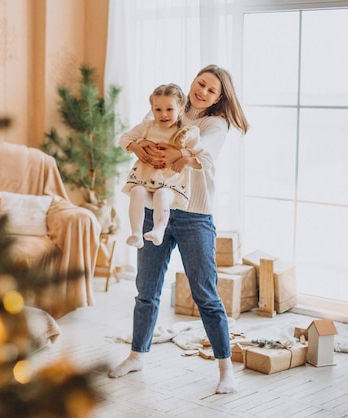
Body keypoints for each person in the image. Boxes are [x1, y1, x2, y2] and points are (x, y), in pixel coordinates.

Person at [108, 65, 250, 395]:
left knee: (205, 293)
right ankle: (136, 355)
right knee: (146, 290)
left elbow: (201, 156)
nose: (203, 91)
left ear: (219, 98)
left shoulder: (215, 124)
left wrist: (179, 153)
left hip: (193, 216)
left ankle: (225, 368)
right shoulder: (168, 104)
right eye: (201, 83)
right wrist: (136, 148)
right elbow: (140, 135)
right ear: (193, 82)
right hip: (152, 209)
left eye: (212, 90)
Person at [119, 83, 203, 249]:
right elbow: (124, 138)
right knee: (136, 191)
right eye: (158, 110)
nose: (163, 114)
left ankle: (159, 230)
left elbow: (200, 156)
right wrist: (136, 147)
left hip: (171, 184)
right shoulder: (147, 127)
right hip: (145, 180)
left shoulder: (188, 132)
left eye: (169, 109)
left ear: (181, 109)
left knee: (162, 196)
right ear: (152, 109)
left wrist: (181, 156)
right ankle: (136, 233)